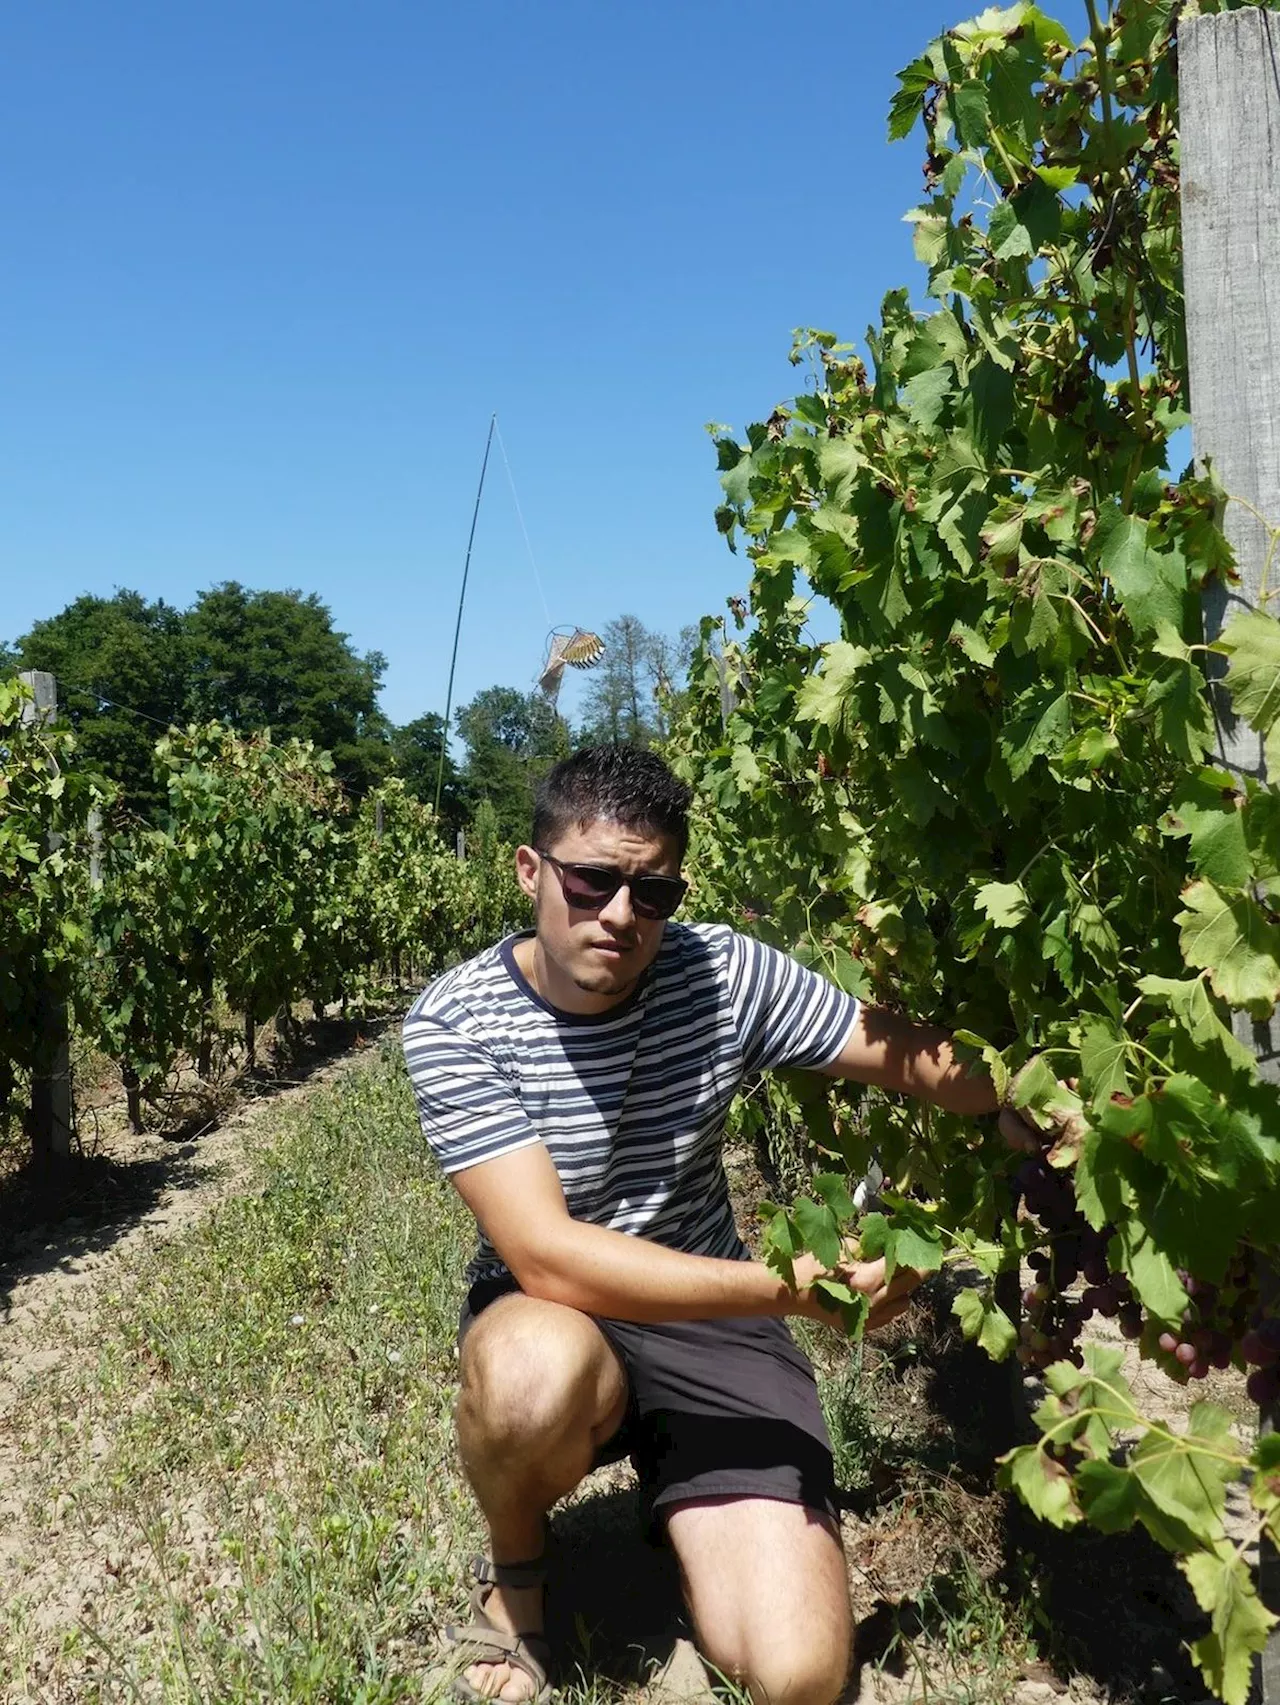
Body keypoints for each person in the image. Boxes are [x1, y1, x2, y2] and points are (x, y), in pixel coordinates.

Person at [402, 745, 1022, 1705]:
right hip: (554, 1310)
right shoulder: (457, 1022)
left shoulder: (721, 970)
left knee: (799, 1674)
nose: (620, 915)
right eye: (592, 880)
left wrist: (1026, 1095)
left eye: (651, 893)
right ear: (532, 871)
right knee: (527, 1380)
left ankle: (680, 1493)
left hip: (712, 1318)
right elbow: (547, 1254)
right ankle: (517, 1582)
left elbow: (894, 1050)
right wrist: (794, 1291)